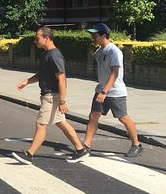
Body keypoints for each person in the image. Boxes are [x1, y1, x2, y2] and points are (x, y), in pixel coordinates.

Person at [12, 26, 89, 165]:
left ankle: (29, 155)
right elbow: (42, 75)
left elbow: (61, 78)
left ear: (46, 38)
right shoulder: (45, 55)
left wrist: (63, 100)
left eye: (37, 38)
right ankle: (81, 150)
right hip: (49, 95)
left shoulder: (54, 55)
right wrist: (27, 81)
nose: (35, 41)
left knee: (41, 124)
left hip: (52, 96)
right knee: (61, 123)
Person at [83, 23, 143, 157]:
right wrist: (102, 90)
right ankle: (86, 146)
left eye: (95, 35)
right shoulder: (99, 51)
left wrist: (104, 91)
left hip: (115, 92)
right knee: (93, 117)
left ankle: (136, 145)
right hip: (101, 89)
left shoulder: (114, 51)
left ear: (103, 35)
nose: (92, 37)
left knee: (123, 118)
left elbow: (114, 73)